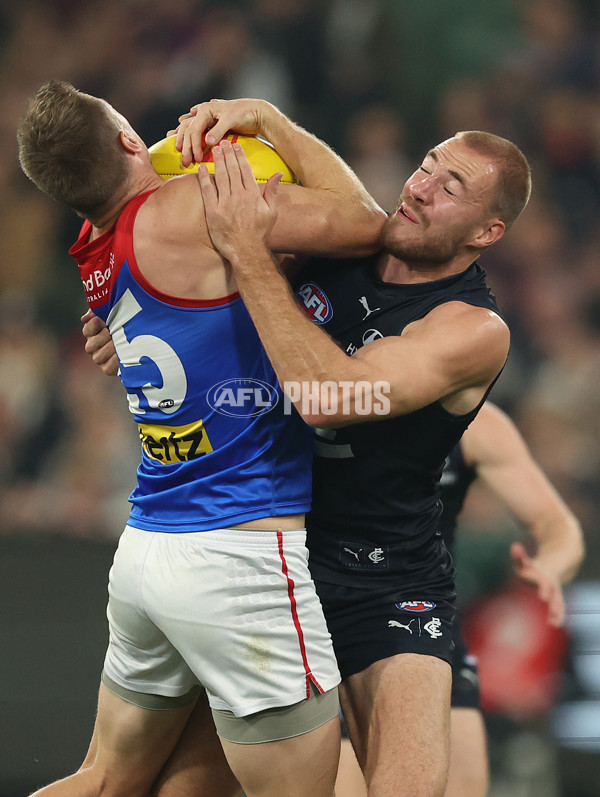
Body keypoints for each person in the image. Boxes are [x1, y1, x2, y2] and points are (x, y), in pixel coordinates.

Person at [82, 96, 532, 797]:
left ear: (489, 229)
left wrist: (247, 251)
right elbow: (207, 303)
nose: (418, 187)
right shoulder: (346, 246)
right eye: (425, 166)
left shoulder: (471, 329)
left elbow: (330, 395)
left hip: (389, 576)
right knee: (178, 789)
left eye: (451, 188)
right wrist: (139, 324)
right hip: (270, 558)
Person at [16, 81, 385, 797]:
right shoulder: (199, 206)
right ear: (129, 140)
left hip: (149, 548)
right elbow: (369, 223)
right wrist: (272, 120)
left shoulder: (93, 248)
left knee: (103, 781)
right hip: (241, 554)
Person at [334, 400, 584, 797]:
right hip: (322, 618)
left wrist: (550, 566)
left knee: (460, 778)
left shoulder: (477, 421)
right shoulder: (312, 407)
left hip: (425, 620)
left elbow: (559, 528)